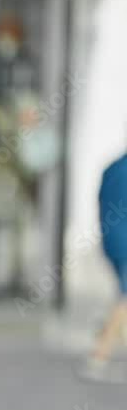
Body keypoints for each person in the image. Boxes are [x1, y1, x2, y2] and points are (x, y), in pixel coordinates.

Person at [79, 153, 127, 383]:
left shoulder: (111, 169)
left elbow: (100, 202)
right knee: (124, 299)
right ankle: (99, 355)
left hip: (111, 240)